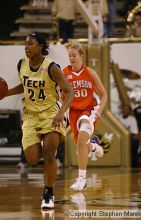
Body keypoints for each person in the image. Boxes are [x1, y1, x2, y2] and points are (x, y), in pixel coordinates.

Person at [5, 32, 74, 209]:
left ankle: (48, 193)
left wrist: (61, 113)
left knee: (50, 152)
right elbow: (25, 85)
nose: (26, 47)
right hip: (30, 116)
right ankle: (45, 150)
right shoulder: (21, 64)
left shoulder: (51, 67)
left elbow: (69, 90)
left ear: (41, 46)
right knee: (32, 160)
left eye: (30, 44)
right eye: (25, 44)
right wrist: (6, 93)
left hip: (51, 114)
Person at [62, 40, 107, 191]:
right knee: (80, 146)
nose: (71, 58)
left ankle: (82, 179)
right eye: (69, 56)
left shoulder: (90, 73)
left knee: (81, 139)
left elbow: (104, 94)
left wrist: (99, 110)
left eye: (74, 55)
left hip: (90, 109)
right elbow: (60, 94)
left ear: (81, 56)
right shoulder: (64, 73)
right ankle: (93, 146)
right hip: (74, 112)